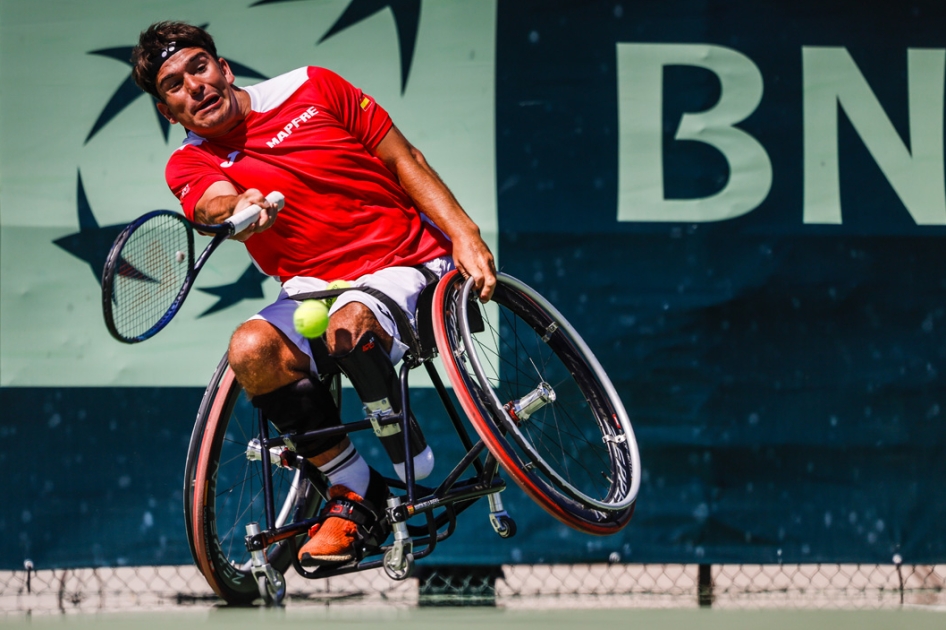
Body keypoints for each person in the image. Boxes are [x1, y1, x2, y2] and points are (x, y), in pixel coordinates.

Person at [131, 21, 496, 567]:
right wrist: (238, 206)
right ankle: (354, 490)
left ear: (223, 68)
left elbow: (404, 159)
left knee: (348, 325)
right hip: (310, 288)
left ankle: (408, 457)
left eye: (199, 68)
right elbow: (212, 202)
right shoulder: (189, 162)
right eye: (175, 86)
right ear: (169, 111)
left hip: (404, 261)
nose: (195, 87)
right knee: (249, 349)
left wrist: (465, 234)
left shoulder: (315, 86)